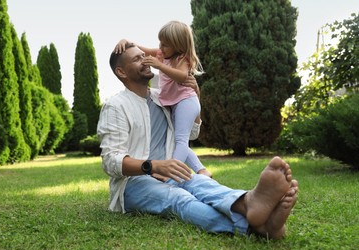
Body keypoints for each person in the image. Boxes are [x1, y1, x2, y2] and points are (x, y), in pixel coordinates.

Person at [97, 42, 299, 239]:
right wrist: (154, 166)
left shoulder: (163, 98)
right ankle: (255, 228)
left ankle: (249, 202)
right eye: (136, 59)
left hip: (171, 173)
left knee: (203, 184)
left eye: (143, 55)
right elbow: (111, 161)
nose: (145, 60)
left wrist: (195, 96)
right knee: (179, 199)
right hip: (134, 184)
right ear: (121, 72)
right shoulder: (116, 106)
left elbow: (191, 134)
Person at [115, 20, 211, 178]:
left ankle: (171, 173)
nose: (160, 47)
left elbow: (182, 76)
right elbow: (142, 50)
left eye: (165, 44)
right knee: (176, 140)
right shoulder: (162, 54)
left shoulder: (182, 59)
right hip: (177, 103)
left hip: (186, 101)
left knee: (180, 140)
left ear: (178, 45)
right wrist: (127, 42)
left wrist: (159, 66)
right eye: (160, 43)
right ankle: (202, 170)